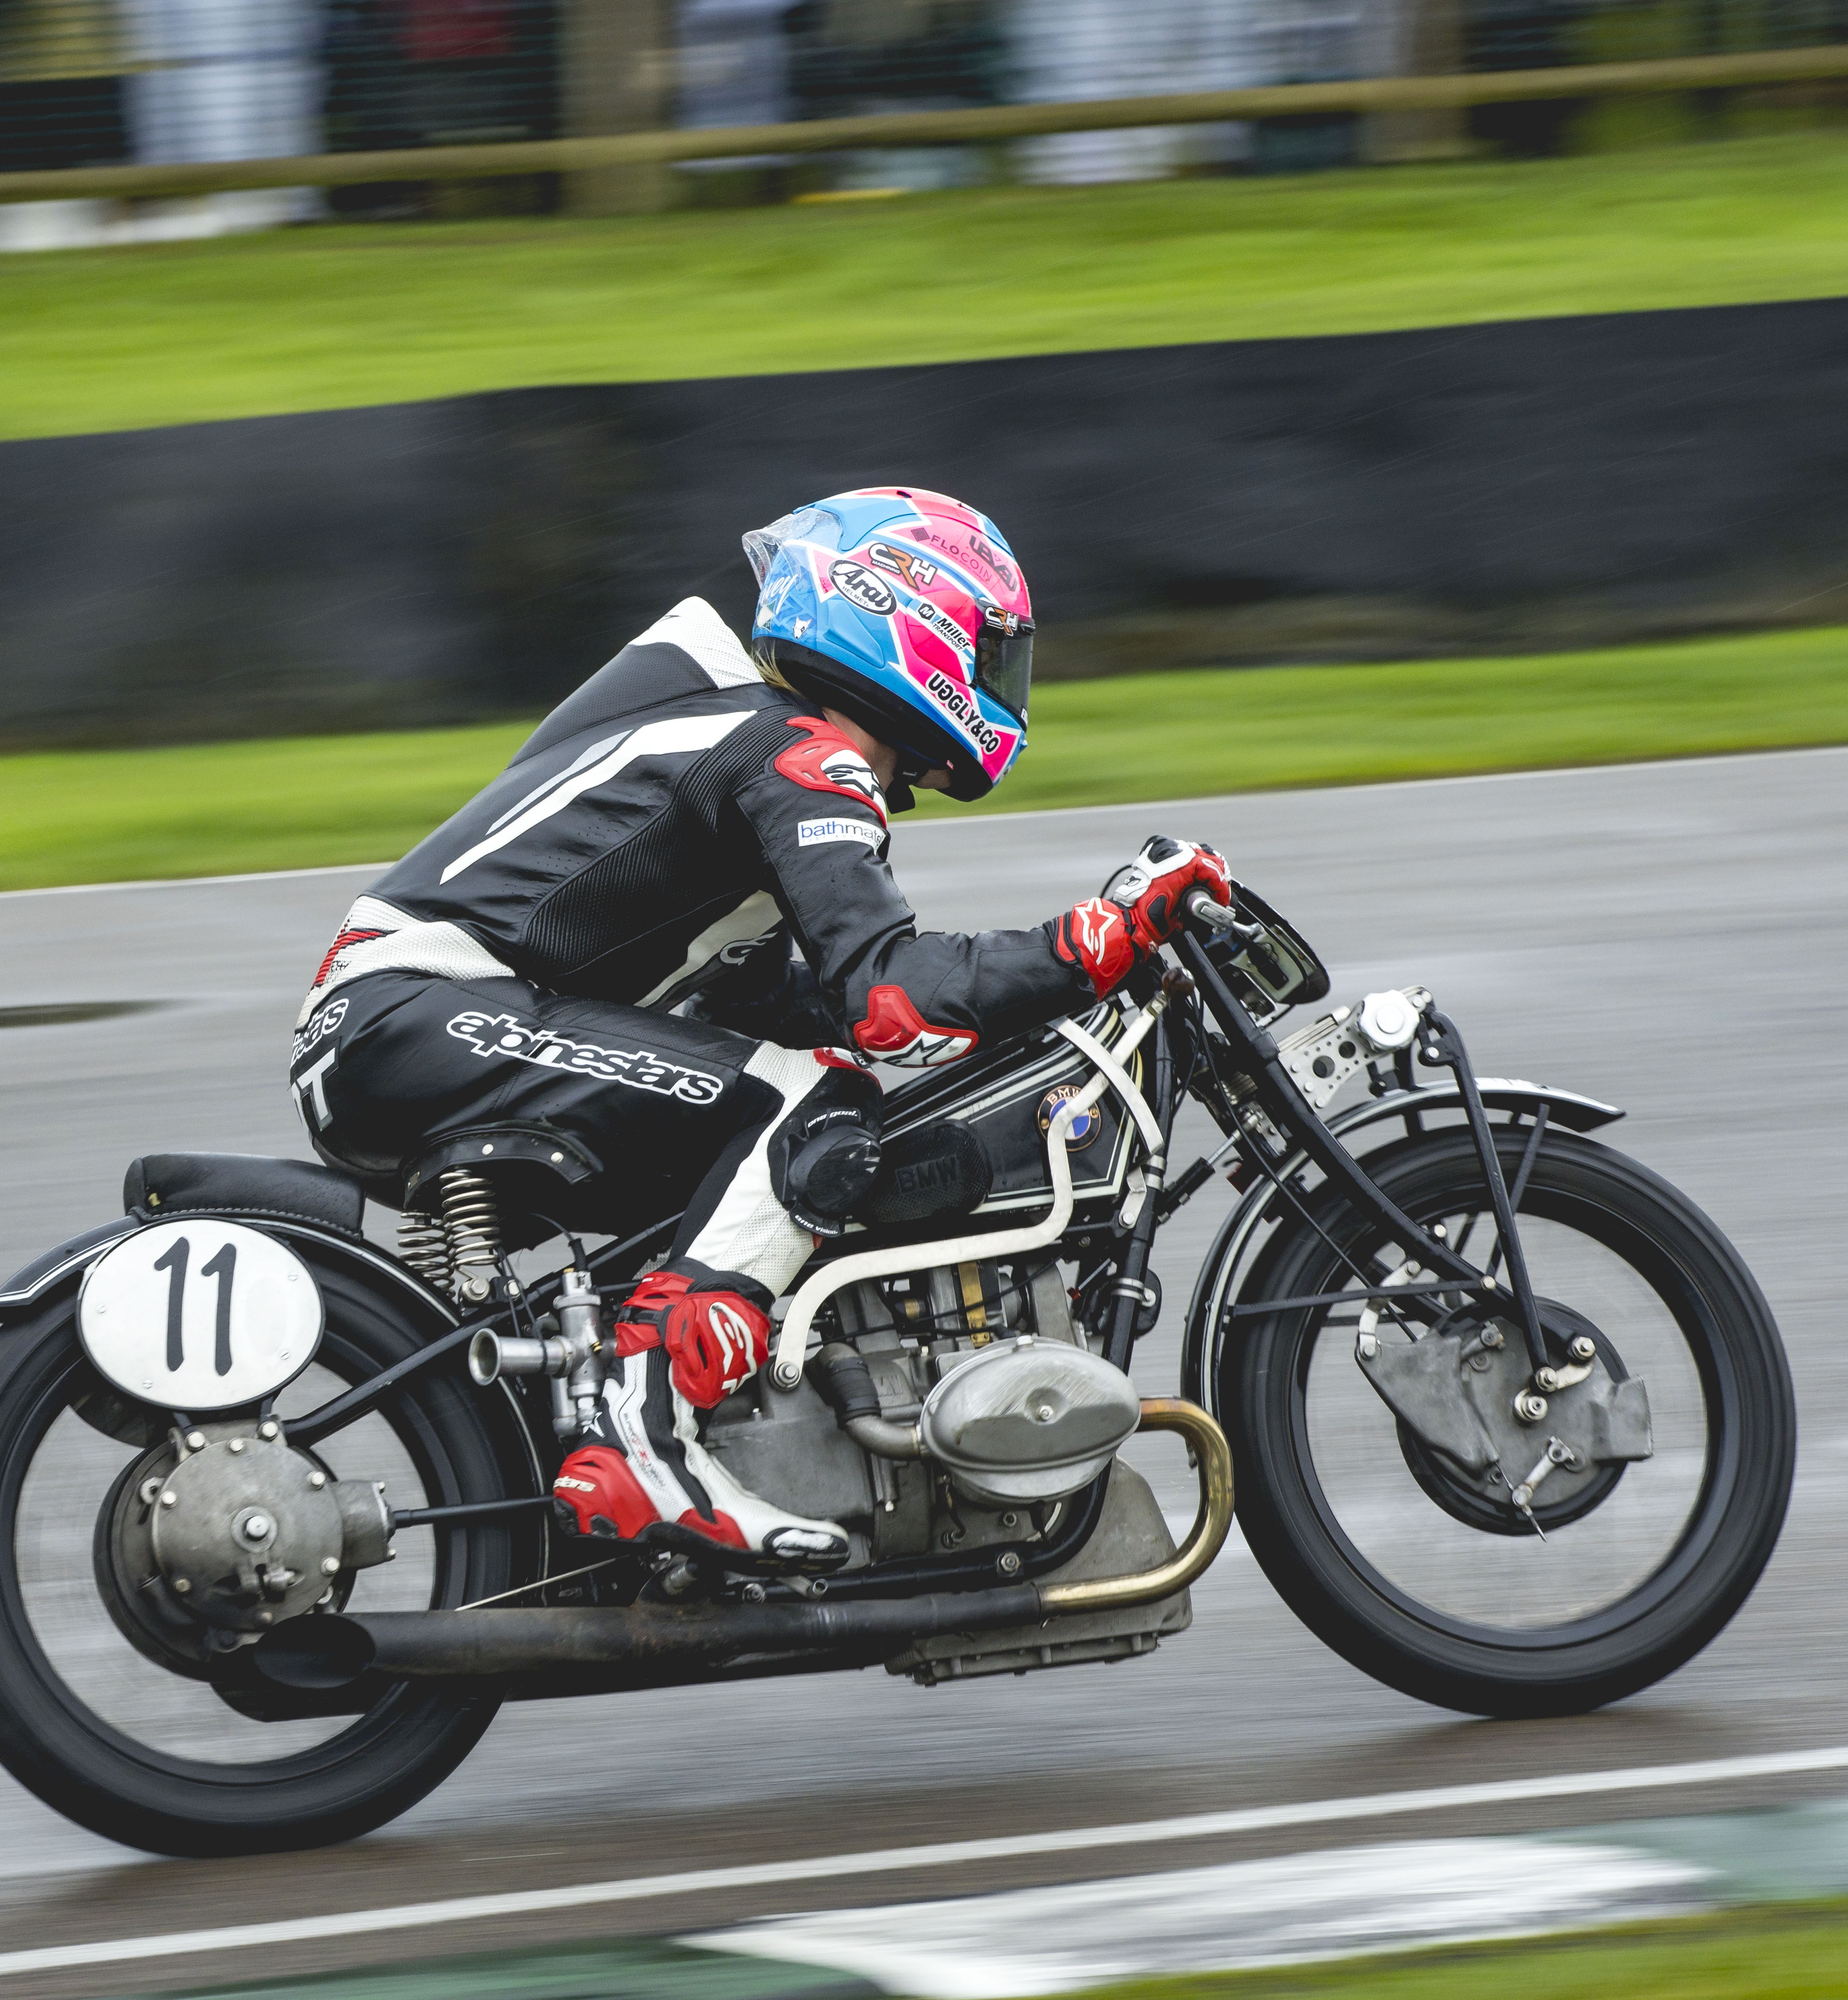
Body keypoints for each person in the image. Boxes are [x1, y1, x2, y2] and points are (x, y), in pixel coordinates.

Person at [287, 486, 1229, 1563]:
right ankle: (644, 1435)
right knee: (810, 1107)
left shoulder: (739, 732)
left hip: (404, 1023)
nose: (999, 682)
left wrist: (1025, 997)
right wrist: (1100, 936)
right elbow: (893, 1001)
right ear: (907, 619)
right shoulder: (798, 752)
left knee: (801, 1089)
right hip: (419, 1012)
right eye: (989, 652)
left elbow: (777, 999)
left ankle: (645, 1429)